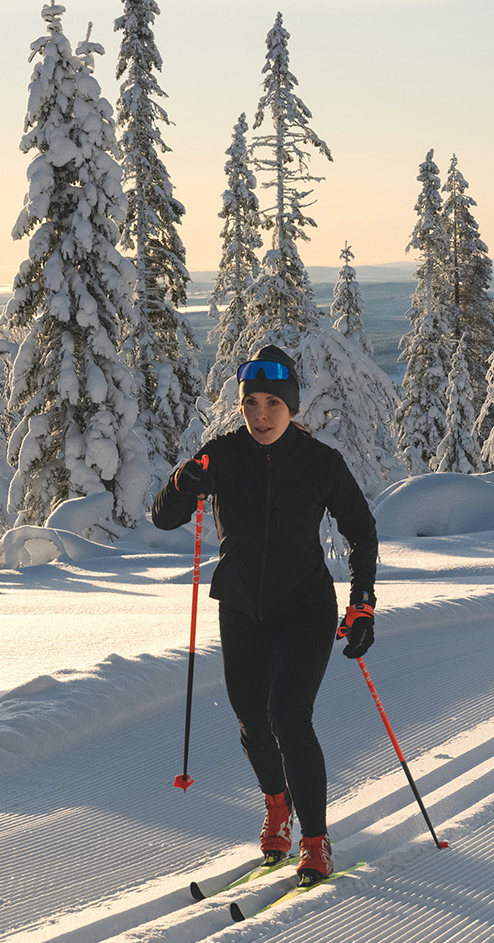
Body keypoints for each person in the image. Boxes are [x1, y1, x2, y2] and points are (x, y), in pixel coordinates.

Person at [151, 344, 378, 884]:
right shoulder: (223, 455)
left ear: (292, 406)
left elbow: (361, 529)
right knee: (252, 720)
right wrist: (185, 482)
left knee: (287, 714)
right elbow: (163, 517)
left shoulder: (321, 462)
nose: (260, 414)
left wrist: (362, 602)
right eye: (251, 402)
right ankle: (278, 808)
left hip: (304, 608)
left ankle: (316, 841)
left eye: (273, 402)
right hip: (242, 608)